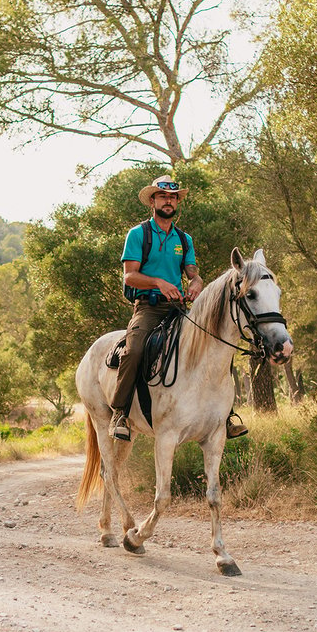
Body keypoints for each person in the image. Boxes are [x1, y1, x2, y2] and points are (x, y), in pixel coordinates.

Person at [109, 175, 248, 442]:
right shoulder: (138, 234)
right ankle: (120, 412)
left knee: (217, 345)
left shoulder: (184, 240)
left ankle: (226, 414)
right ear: (153, 200)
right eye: (163, 196)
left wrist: (196, 282)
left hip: (179, 308)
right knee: (134, 349)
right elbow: (129, 276)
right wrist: (159, 282)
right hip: (148, 308)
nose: (169, 201)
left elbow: (192, 272)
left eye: (173, 197)